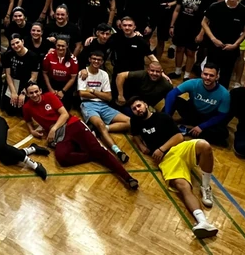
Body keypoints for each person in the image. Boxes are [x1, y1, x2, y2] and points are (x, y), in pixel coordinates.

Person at [130, 96, 217, 237]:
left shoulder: (162, 117)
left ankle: (206, 186)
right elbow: (135, 135)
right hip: (167, 160)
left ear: (145, 104)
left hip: (179, 148)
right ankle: (203, 222)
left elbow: (179, 137)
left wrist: (162, 149)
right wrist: (141, 146)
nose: (137, 110)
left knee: (204, 145)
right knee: (183, 187)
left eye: (139, 106)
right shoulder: (135, 121)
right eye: (134, 109)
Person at [22, 83, 138, 189]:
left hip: (72, 125)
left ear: (40, 90)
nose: (35, 95)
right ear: (27, 94)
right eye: (31, 93)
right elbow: (28, 120)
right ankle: (92, 154)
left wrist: (53, 129)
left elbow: (64, 114)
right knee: (62, 158)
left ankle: (128, 178)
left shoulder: (50, 97)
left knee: (100, 151)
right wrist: (32, 130)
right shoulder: (27, 107)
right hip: (60, 136)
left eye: (36, 91)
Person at [78, 51, 132, 161]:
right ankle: (118, 151)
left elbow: (108, 97)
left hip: (103, 105)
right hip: (88, 105)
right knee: (100, 124)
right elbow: (82, 93)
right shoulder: (83, 73)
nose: (96, 61)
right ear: (89, 59)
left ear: (102, 62)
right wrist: (101, 94)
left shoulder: (104, 74)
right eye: (94, 59)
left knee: (130, 121)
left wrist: (92, 91)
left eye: (99, 60)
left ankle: (101, 130)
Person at [163, 64, 230, 146]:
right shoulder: (193, 83)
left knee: (223, 133)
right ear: (201, 74)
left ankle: (187, 131)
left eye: (211, 75)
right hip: (192, 113)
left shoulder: (224, 94)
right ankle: (163, 122)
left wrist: (202, 126)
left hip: (207, 118)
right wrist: (167, 116)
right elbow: (171, 94)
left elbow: (221, 115)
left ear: (217, 77)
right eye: (205, 74)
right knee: (176, 100)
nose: (207, 77)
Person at [202, 0, 245, 88]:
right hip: (214, 46)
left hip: (231, 48)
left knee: (226, 75)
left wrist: (236, 44)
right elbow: (204, 22)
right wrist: (213, 39)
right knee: (209, 74)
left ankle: (222, 95)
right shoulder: (215, 6)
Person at [169, 0, 210, 80]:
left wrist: (201, 33)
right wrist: (172, 26)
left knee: (191, 52)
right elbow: (177, 10)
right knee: (179, 49)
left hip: (195, 29)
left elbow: (206, 18)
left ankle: (187, 75)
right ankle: (177, 71)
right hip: (181, 27)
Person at [2, 35, 41, 116]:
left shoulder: (33, 56)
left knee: (22, 111)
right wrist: (13, 92)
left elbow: (34, 77)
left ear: (22, 41)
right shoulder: (8, 55)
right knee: (10, 110)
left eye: (17, 42)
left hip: (27, 83)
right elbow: (8, 74)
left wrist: (23, 92)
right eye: (13, 44)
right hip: (13, 82)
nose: (16, 46)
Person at [42, 37, 80, 110]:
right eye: (58, 45)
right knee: (48, 107)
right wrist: (50, 89)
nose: (60, 48)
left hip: (66, 85)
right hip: (52, 83)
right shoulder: (49, 56)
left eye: (63, 46)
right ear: (55, 45)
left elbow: (73, 78)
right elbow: (44, 73)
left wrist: (62, 91)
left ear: (67, 45)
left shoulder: (73, 59)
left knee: (64, 108)